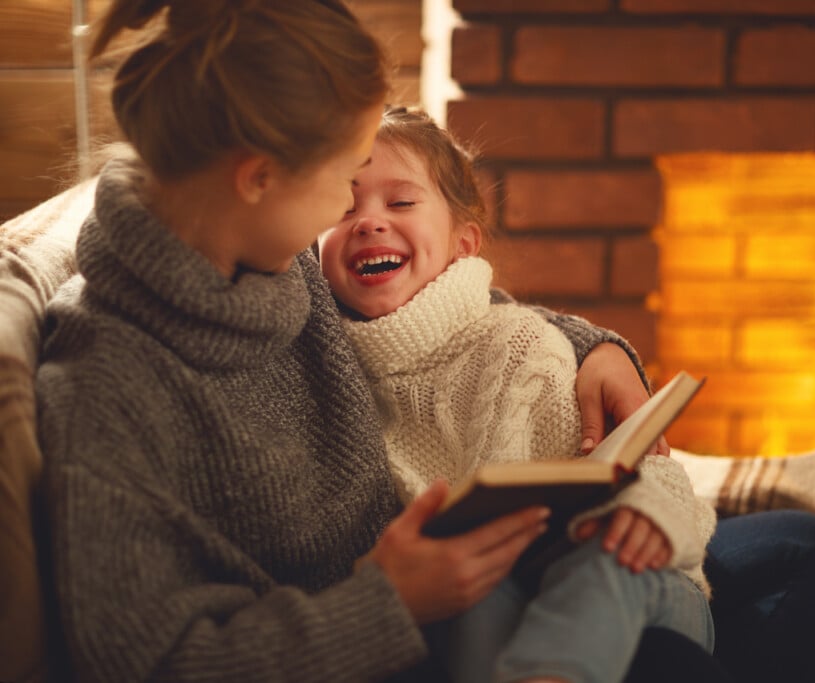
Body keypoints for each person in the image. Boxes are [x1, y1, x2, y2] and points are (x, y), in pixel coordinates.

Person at [33, 2, 664, 681]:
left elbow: (439, 316)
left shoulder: (268, 256)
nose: (350, 213)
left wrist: (591, 348)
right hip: (394, 645)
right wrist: (384, 603)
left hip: (444, 606)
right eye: (345, 179)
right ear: (259, 176)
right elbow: (149, 660)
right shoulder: (105, 381)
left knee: (788, 542)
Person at [317, 107, 717, 683]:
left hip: (636, 583)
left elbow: (638, 464)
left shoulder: (519, 343)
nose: (368, 222)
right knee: (472, 591)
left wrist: (650, 515)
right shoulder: (325, 362)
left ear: (463, 244)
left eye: (400, 203)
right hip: (494, 592)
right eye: (343, 206)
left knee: (603, 561)